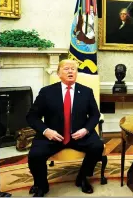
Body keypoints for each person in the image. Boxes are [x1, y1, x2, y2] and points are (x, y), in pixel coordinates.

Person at [26, 59, 103, 197]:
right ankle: (41, 185)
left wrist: (85, 130)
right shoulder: (46, 92)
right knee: (35, 155)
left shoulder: (86, 92)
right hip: (53, 135)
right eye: (66, 69)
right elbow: (32, 116)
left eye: (73, 69)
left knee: (97, 146)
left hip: (79, 134)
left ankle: (82, 177)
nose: (70, 71)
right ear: (58, 73)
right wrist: (46, 131)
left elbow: (94, 115)